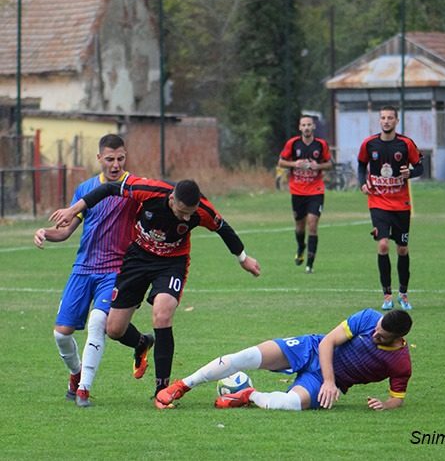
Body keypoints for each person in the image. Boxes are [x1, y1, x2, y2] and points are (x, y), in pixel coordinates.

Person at [49, 177, 261, 409]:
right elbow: (110, 188)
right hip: (137, 259)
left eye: (190, 214)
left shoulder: (202, 210)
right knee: (114, 329)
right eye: (182, 212)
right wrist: (73, 209)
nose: (187, 218)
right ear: (171, 199)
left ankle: (163, 390)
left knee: (162, 313)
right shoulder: (149, 191)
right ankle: (142, 342)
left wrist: (243, 258)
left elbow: (224, 229)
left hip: (171, 263)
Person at [33, 134, 138, 407]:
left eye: (120, 159)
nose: (115, 164)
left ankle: (84, 390)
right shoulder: (85, 189)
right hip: (83, 269)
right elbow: (66, 231)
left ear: (125, 157)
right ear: (99, 158)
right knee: (61, 333)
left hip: (115, 271)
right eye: (110, 159)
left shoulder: (133, 188)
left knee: (97, 323)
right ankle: (75, 373)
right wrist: (45, 232)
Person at [156, 308, 412, 411]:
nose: (374, 334)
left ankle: (248, 394)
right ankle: (181, 386)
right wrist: (331, 382)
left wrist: (384, 405)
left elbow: (396, 399)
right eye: (376, 328)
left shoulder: (400, 363)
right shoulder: (368, 318)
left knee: (287, 404)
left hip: (319, 379)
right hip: (311, 349)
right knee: (245, 356)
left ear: (398, 337)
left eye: (381, 336)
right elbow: (327, 342)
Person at [357, 105, 424, 311]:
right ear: (380, 121)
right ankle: (387, 295)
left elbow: (420, 166)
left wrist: (409, 174)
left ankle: (403, 293)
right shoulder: (369, 144)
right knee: (383, 245)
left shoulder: (405, 144)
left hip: (401, 204)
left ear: (396, 121)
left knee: (402, 249)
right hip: (378, 202)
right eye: (383, 118)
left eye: (390, 118)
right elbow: (361, 164)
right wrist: (362, 182)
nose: (386, 121)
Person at [278, 115, 333, 273]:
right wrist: (294, 164)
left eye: (309, 125)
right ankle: (301, 247)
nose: (307, 127)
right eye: (304, 125)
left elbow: (330, 164)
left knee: (312, 224)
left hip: (316, 190)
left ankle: (310, 264)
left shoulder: (321, 145)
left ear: (313, 127)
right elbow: (281, 162)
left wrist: (318, 166)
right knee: (300, 226)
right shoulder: (293, 144)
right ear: (300, 127)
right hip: (297, 191)